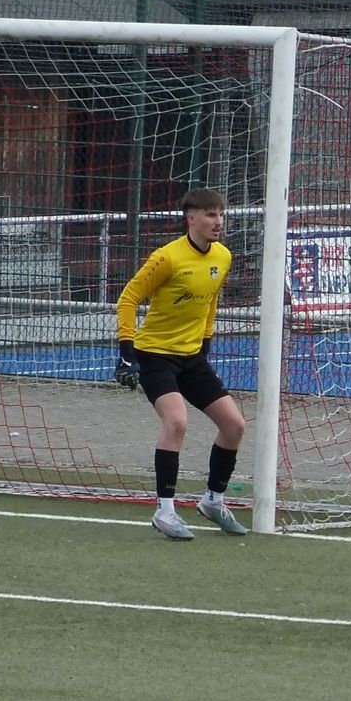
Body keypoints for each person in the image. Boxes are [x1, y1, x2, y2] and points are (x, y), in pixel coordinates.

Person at [114, 188, 249, 541]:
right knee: (177, 422)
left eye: (221, 214)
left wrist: (206, 341)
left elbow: (211, 301)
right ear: (191, 219)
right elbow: (128, 299)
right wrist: (126, 351)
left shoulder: (223, 256)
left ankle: (213, 501)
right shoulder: (167, 258)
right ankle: (165, 511)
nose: (218, 221)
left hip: (192, 357)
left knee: (234, 425)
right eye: (210, 215)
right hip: (155, 356)